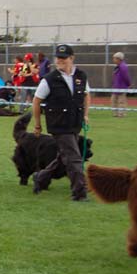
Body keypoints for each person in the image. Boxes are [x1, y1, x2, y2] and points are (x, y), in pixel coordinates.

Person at [31, 44, 91, 202]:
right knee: (74, 158)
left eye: (63, 58)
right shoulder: (49, 80)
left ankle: (41, 177)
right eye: (58, 58)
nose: (60, 61)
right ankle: (80, 192)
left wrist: (85, 115)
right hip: (59, 125)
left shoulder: (81, 76)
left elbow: (86, 95)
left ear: (72, 58)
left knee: (64, 157)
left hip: (75, 123)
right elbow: (36, 101)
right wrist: (37, 124)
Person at [111, 52, 131, 118]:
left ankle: (121, 114)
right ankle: (115, 114)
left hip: (121, 87)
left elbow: (126, 77)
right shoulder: (117, 67)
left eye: (114, 58)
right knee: (113, 100)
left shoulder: (123, 66)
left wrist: (128, 84)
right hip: (115, 87)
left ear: (119, 59)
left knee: (121, 101)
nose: (113, 59)